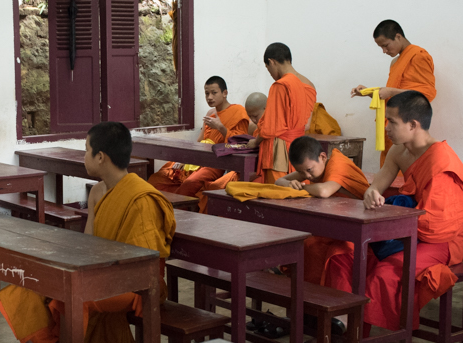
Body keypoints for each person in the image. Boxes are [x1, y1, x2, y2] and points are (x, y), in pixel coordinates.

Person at [0, 122, 176, 343]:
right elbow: (88, 245)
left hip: (134, 285)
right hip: (101, 273)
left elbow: (143, 268)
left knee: (72, 297)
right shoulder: (98, 192)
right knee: (31, 288)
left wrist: (93, 278)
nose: (84, 156)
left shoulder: (141, 199)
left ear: (100, 157)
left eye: (86, 150)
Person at [324, 92, 463, 334]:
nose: (386, 128)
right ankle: (342, 322)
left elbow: (440, 225)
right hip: (406, 228)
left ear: (413, 125)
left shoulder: (440, 160)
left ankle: (346, 324)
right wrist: (371, 194)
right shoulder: (398, 151)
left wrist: (392, 220)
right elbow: (376, 186)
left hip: (442, 239)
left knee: (388, 271)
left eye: (392, 122)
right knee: (343, 255)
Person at [277, 136, 370, 287]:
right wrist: (289, 183)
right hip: (336, 222)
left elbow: (324, 191)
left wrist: (298, 188)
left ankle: (322, 298)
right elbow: (279, 181)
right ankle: (306, 297)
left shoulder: (338, 164)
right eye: (301, 172)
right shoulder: (312, 168)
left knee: (315, 248)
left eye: (309, 170)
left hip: (360, 228)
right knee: (302, 243)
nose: (307, 176)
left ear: (322, 157)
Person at [351, 19, 435, 167]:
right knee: (389, 170)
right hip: (392, 124)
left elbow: (426, 94)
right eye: (381, 47)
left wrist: (390, 91)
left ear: (398, 37)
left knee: (406, 170)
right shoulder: (395, 62)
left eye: (385, 45)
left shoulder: (418, 56)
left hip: (408, 126)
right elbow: (395, 94)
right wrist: (370, 93)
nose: (384, 51)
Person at [148, 76, 249, 195]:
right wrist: (184, 158)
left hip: (216, 161)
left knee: (190, 183)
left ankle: (179, 210)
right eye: (207, 93)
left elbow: (240, 144)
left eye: (214, 93)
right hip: (200, 156)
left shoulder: (238, 112)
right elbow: (200, 140)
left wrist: (221, 128)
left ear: (224, 93)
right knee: (158, 178)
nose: (209, 97)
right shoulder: (211, 113)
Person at [247, 43, 317, 183]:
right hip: (298, 148)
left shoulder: (280, 85)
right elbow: (306, 124)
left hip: (278, 151)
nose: (271, 74)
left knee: (277, 192)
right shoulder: (307, 85)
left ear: (272, 62)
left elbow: (270, 128)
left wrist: (256, 142)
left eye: (268, 69)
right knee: (297, 191)